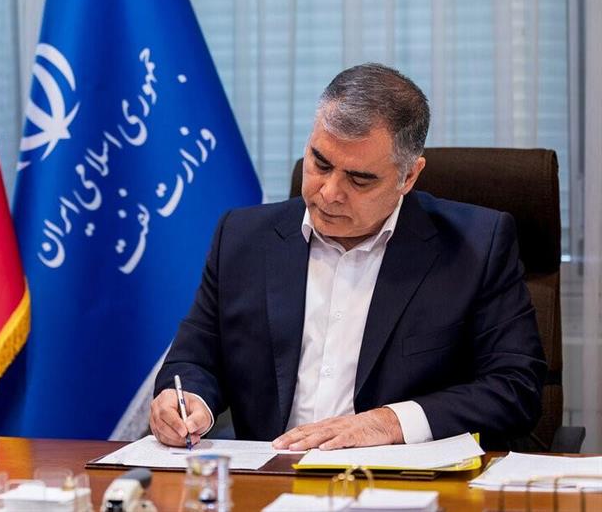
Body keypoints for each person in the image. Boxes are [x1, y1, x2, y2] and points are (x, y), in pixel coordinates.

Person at [149, 63, 546, 451]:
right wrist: (187, 402)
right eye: (320, 163)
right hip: (271, 474)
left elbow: (515, 387)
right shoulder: (242, 237)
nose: (329, 193)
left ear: (409, 177)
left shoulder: (475, 247)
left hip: (399, 478)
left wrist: (389, 422)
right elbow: (194, 360)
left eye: (359, 179)